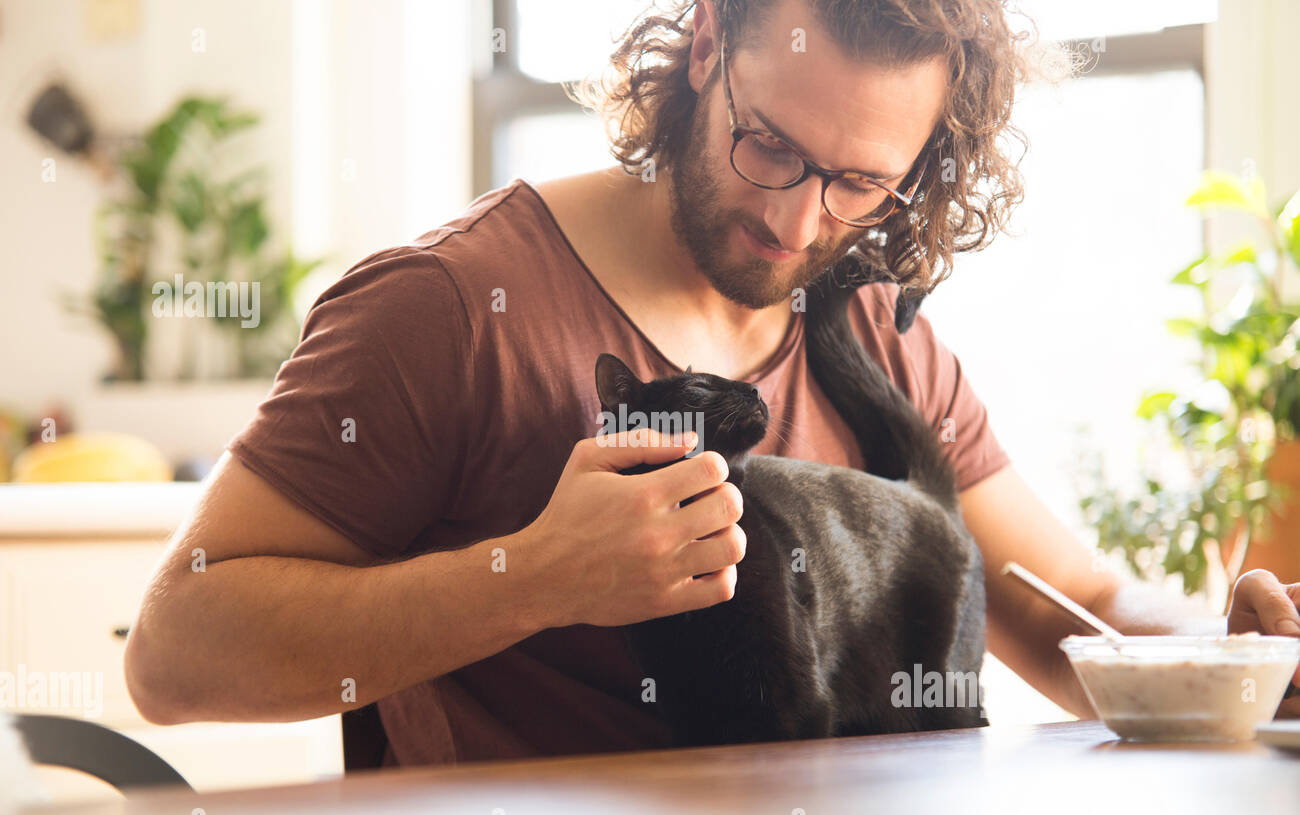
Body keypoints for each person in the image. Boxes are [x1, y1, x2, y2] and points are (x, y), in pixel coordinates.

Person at [124, 0, 1300, 766]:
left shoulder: (873, 327)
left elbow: (1064, 603)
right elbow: (173, 651)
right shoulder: (448, 308)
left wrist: (1236, 650)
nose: (797, 219)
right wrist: (529, 577)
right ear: (704, 47)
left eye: (857, 182)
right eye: (770, 145)